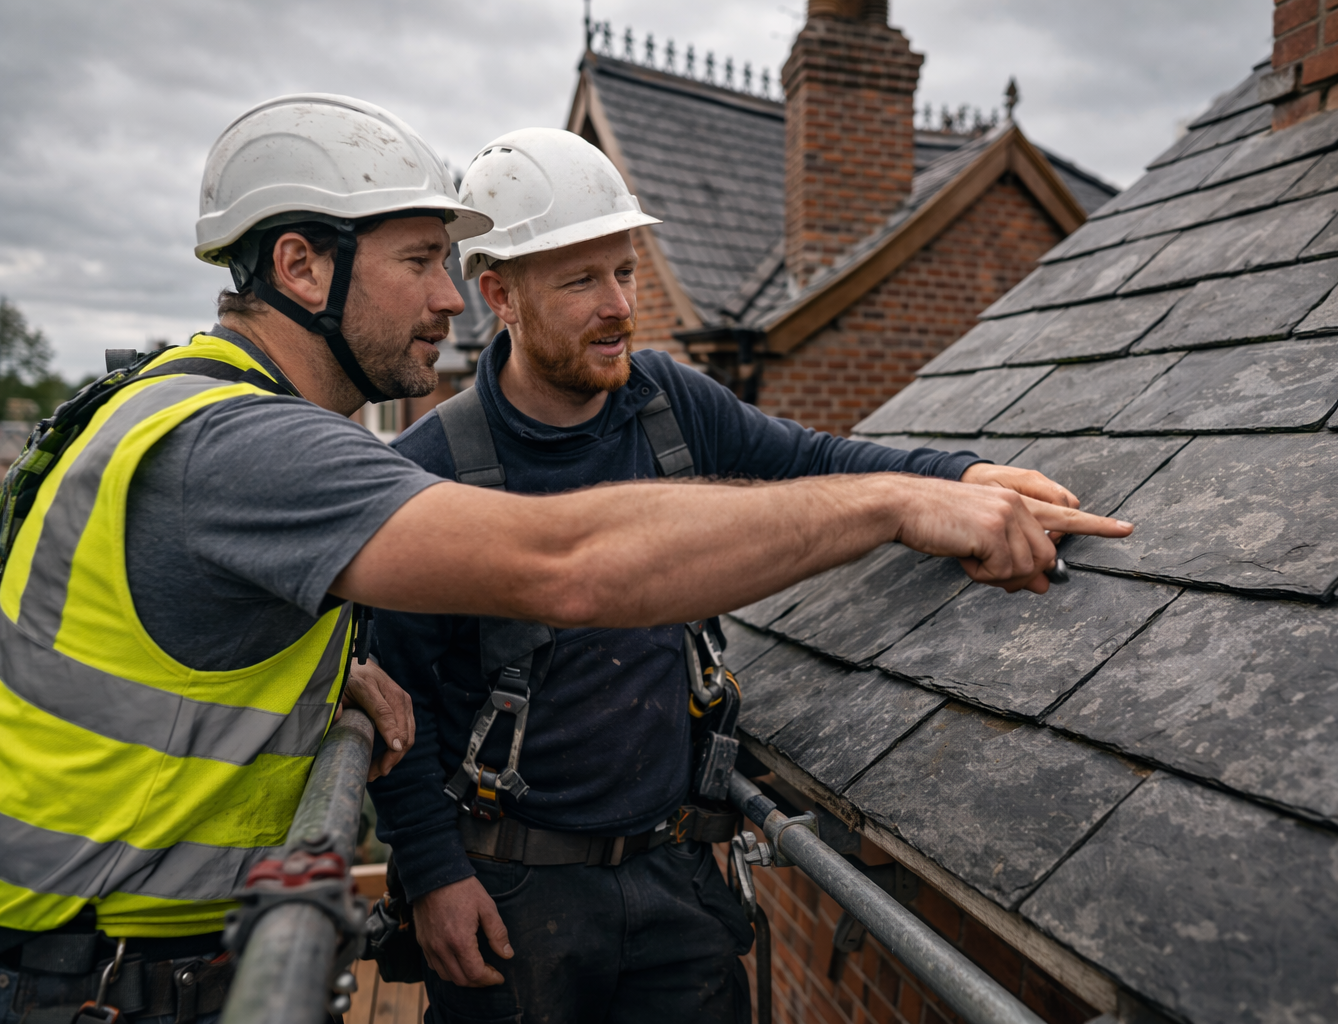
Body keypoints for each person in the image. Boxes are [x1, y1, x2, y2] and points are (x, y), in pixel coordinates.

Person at [0, 98, 1125, 1024]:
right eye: (420, 263)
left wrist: (957, 475)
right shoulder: (250, 447)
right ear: (300, 265)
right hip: (102, 976)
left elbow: (174, 653)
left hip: (132, 950)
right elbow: (569, 566)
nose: (447, 296)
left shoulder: (180, 414)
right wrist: (895, 503)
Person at [367, 128, 1134, 1024]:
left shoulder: (666, 404)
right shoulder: (434, 472)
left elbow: (814, 458)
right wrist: (433, 875)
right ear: (499, 294)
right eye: (581, 282)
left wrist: (957, 479)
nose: (619, 306)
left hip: (675, 873)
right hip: (513, 889)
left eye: (626, 272)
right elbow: (397, 707)